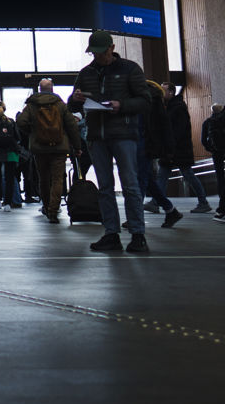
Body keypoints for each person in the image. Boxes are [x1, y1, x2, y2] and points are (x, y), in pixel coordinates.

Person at [68, 31, 152, 254]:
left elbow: (145, 100)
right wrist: (74, 100)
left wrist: (120, 105)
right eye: (93, 53)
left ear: (111, 48)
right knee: (105, 188)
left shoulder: (130, 69)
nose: (97, 57)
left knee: (130, 185)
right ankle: (111, 234)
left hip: (124, 135)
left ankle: (137, 235)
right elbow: (72, 105)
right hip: (97, 137)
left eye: (100, 53)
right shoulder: (86, 73)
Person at [18, 78, 80, 224]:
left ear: (39, 89)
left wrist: (33, 133)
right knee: (58, 179)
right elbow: (72, 126)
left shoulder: (32, 105)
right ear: (52, 89)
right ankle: (54, 211)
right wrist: (77, 147)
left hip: (39, 148)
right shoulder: (60, 105)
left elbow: (21, 122)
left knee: (43, 179)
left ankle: (46, 207)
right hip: (59, 147)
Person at [135, 80, 182, 228]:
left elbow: (163, 125)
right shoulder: (152, 100)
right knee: (147, 180)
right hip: (145, 145)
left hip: (145, 145)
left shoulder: (150, 101)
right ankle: (170, 210)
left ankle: (136, 216)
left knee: (142, 180)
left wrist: (169, 149)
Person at [163, 84, 210, 213]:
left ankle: (203, 202)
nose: (161, 92)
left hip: (178, 149)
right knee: (167, 174)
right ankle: (156, 201)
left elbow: (178, 130)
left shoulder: (177, 108)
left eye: (164, 90)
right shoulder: (172, 106)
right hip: (177, 148)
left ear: (171, 92)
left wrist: (171, 145)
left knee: (187, 174)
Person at [0, 101, 24, 210]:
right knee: (10, 178)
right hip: (11, 152)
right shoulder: (11, 121)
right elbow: (18, 137)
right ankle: (7, 203)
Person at [204, 104, 225, 223]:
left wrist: (211, 149)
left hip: (217, 153)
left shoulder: (209, 121)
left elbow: (203, 139)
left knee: (220, 178)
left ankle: (221, 209)